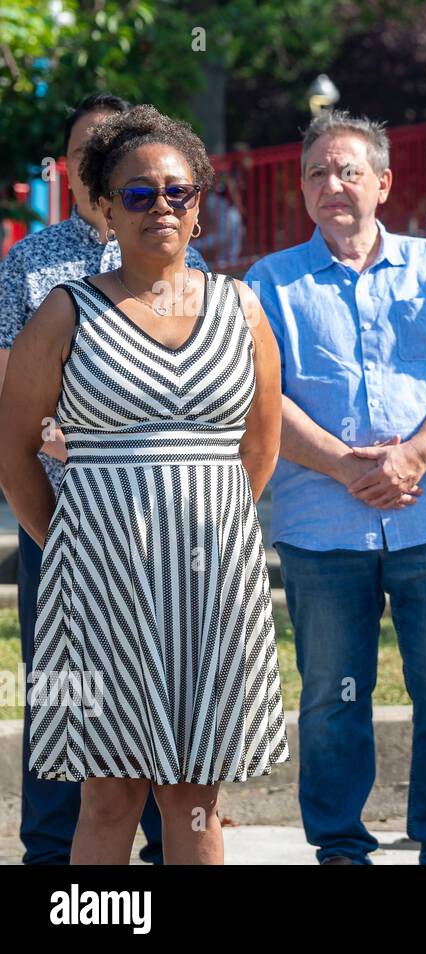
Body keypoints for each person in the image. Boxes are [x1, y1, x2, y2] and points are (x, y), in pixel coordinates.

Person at [0, 105, 288, 864]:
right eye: (136, 194)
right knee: (109, 791)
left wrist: (209, 524)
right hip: (97, 587)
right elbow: (14, 447)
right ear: (103, 205)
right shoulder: (66, 311)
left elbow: (259, 448)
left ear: (198, 206)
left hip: (210, 586)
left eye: (178, 192)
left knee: (194, 796)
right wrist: (66, 541)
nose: (160, 206)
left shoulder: (243, 308)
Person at [245, 110, 426, 865]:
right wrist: (343, 464)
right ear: (302, 189)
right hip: (321, 530)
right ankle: (340, 847)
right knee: (332, 701)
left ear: (384, 183)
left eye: (348, 170)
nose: (332, 184)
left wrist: (416, 457)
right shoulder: (268, 284)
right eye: (317, 173)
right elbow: (261, 398)